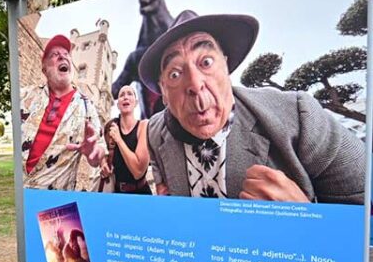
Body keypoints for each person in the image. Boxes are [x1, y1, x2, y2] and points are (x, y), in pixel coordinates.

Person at [138, 10, 366, 203]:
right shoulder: (156, 131)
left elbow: (363, 209)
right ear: (164, 92)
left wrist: (306, 218)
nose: (195, 84)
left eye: (206, 62)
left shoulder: (300, 116)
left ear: (226, 66)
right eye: (175, 74)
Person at [20, 34, 107, 190]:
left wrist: (94, 152)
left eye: (66, 54)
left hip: (58, 204)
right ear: (44, 68)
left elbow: (99, 152)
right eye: (54, 55)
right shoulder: (24, 96)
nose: (62, 56)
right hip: (20, 194)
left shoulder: (87, 107)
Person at [107, 85, 151, 194]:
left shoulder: (144, 126)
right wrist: (104, 162)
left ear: (135, 103)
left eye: (130, 94)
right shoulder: (110, 128)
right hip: (116, 193)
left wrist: (119, 140)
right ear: (118, 105)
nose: (125, 97)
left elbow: (138, 172)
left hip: (140, 194)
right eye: (122, 95)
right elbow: (104, 155)